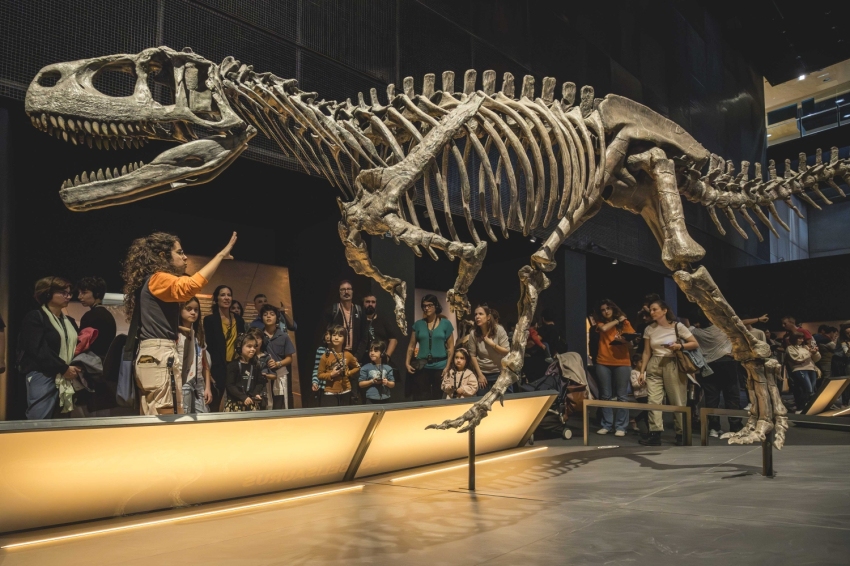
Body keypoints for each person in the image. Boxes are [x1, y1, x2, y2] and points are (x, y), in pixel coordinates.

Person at [123, 231, 236, 416]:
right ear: (163, 256)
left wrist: (178, 329)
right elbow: (190, 287)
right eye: (180, 252)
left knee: (154, 415)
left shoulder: (149, 280)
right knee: (165, 416)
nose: (185, 257)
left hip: (153, 354)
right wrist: (220, 256)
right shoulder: (158, 278)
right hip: (160, 355)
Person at [636, 300, 699, 446]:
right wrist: (642, 371)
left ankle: (681, 434)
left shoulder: (677, 326)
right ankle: (655, 434)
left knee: (677, 399)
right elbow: (646, 352)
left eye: (655, 309)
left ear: (664, 311)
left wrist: (679, 346)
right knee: (653, 400)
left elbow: (694, 343)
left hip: (673, 362)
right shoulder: (649, 329)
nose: (652, 312)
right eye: (650, 310)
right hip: (655, 363)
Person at [17, 277, 80, 419]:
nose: (68, 296)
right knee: (39, 420)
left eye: (69, 293)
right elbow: (37, 349)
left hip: (66, 376)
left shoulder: (69, 321)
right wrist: (63, 368)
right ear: (47, 293)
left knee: (62, 423)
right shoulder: (35, 317)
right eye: (63, 292)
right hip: (43, 375)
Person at [689, 313, 743, 438]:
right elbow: (740, 325)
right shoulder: (722, 328)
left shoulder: (694, 332)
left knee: (711, 398)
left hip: (708, 367)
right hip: (727, 364)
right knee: (732, 397)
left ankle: (714, 428)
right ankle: (735, 428)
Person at [593, 299, 636, 437]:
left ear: (613, 309)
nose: (606, 312)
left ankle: (621, 426)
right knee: (605, 395)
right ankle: (607, 424)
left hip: (622, 362)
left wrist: (625, 340)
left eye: (608, 309)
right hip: (603, 361)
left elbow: (632, 339)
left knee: (622, 395)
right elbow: (604, 329)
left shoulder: (625, 323)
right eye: (603, 310)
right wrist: (618, 320)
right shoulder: (601, 323)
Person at [204, 284, 245, 412]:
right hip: (217, 367)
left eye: (229, 295)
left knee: (236, 403)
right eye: (223, 295)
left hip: (235, 366)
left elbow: (242, 342)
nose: (227, 298)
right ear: (216, 299)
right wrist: (208, 372)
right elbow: (208, 346)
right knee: (214, 404)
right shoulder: (209, 320)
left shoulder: (239, 320)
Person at [405, 294, 455, 401]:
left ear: (436, 305)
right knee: (422, 397)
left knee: (438, 397)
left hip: (440, 366)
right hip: (423, 366)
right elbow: (411, 346)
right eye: (424, 306)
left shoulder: (446, 324)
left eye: (429, 305)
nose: (426, 308)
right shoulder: (418, 324)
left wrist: (447, 366)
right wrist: (407, 363)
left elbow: (451, 347)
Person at [176, 297, 212, 414]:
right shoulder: (175, 334)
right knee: (184, 414)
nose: (193, 312)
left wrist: (208, 387)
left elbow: (205, 363)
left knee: (203, 414)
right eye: (189, 309)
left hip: (199, 382)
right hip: (183, 380)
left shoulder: (199, 334)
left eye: (196, 310)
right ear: (181, 310)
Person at [467, 304, 510, 396]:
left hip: (500, 372)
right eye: (475, 314)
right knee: (482, 403)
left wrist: (492, 344)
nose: (477, 317)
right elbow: (473, 355)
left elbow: (506, 351)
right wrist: (480, 375)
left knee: (504, 402)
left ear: (488, 317)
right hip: (483, 373)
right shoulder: (473, 333)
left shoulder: (499, 330)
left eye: (481, 314)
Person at [259, 304, 295, 409]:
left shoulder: (284, 336)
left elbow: (289, 358)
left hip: (280, 376)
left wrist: (277, 363)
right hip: (263, 377)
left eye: (272, 314)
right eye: (265, 315)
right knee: (264, 406)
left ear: (277, 317)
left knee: (279, 405)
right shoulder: (259, 336)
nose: (268, 317)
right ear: (261, 317)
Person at [224, 330, 268, 411]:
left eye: (254, 346)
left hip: (251, 403)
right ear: (240, 347)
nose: (253, 349)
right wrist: (243, 397)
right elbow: (230, 385)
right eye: (249, 346)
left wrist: (256, 393)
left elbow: (260, 382)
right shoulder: (233, 365)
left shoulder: (255, 365)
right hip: (235, 405)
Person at [76, 276, 116, 361]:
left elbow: (82, 344)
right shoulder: (108, 315)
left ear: (97, 293)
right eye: (79, 293)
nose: (79, 297)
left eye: (84, 292)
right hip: (104, 363)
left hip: (91, 363)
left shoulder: (90, 316)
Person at [317, 325, 359, 406]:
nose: (336, 338)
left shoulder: (348, 355)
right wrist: (331, 375)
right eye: (334, 335)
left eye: (340, 336)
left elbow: (357, 367)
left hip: (346, 390)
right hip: (330, 391)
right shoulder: (325, 356)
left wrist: (348, 373)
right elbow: (319, 375)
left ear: (344, 339)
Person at [785, 332, 821, 413]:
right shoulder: (790, 348)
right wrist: (810, 353)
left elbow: (816, 359)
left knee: (811, 389)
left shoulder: (805, 347)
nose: (801, 340)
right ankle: (801, 407)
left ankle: (808, 406)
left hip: (811, 368)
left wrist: (815, 352)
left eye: (802, 338)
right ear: (794, 339)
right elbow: (797, 360)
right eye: (799, 338)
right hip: (800, 369)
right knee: (809, 389)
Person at [357, 294, 398, 364]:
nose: (370, 304)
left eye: (373, 302)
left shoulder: (383, 320)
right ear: (363, 303)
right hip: (363, 359)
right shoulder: (359, 320)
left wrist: (387, 356)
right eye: (367, 302)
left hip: (380, 359)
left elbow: (393, 339)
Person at [629, 353, 649, 438]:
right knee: (648, 411)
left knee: (648, 411)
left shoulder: (647, 371)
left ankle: (635, 420)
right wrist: (642, 383)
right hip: (640, 395)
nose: (643, 364)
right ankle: (649, 430)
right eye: (641, 362)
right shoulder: (633, 372)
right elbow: (634, 384)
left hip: (648, 394)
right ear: (635, 363)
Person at [311, 329, 331, 404]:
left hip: (334, 388)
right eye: (326, 334)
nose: (328, 337)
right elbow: (317, 368)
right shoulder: (321, 350)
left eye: (330, 334)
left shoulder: (340, 351)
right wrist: (315, 382)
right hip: (322, 388)